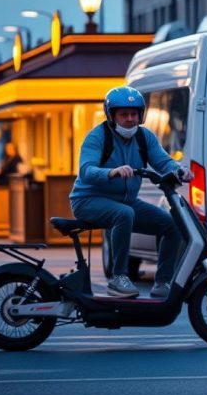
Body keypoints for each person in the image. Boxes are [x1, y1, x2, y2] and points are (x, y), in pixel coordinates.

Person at [69, 86, 193, 299]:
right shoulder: (97, 137)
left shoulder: (145, 137)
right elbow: (86, 171)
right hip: (87, 201)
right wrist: (111, 172)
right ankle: (118, 278)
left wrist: (179, 170)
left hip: (126, 202)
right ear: (111, 115)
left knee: (172, 225)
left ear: (140, 115)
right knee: (124, 214)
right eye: (123, 114)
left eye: (134, 114)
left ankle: (163, 282)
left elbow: (163, 161)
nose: (129, 119)